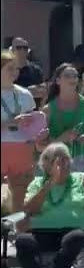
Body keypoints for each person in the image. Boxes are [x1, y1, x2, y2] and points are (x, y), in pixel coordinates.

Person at [38, 64, 84, 185]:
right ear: (58, 81)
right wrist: (62, 139)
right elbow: (40, 147)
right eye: (67, 76)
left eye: (75, 76)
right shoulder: (47, 110)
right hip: (56, 162)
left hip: (83, 159)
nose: (72, 79)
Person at [2, 49, 39, 208]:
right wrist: (10, 123)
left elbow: (34, 123)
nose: (14, 72)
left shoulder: (25, 94)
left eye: (16, 68)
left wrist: (37, 131)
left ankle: (16, 231)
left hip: (22, 148)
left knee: (20, 196)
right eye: (9, 68)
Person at [9, 37, 46, 107]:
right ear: (12, 50)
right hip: (13, 110)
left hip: (32, 110)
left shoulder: (36, 70)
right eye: (19, 48)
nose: (22, 51)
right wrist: (28, 91)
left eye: (25, 48)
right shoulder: (7, 70)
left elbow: (41, 91)